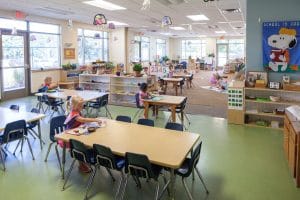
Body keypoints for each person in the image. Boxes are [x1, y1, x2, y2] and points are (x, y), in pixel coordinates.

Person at [63, 95, 103, 173]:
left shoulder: (77, 111)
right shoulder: (74, 114)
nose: (83, 106)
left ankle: (85, 159)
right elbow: (83, 120)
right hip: (70, 135)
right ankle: (81, 164)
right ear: (76, 106)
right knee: (80, 147)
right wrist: (95, 120)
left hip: (78, 131)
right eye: (81, 105)